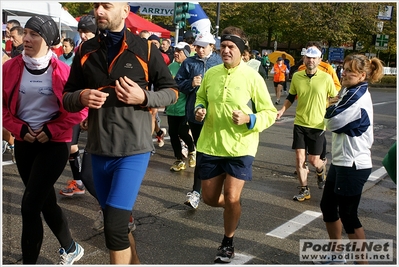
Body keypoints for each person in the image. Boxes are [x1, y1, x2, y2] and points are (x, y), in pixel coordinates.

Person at [62, 2, 178, 264]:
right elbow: (66, 97)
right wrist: (81, 96)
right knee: (118, 224)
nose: (98, 11)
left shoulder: (145, 49)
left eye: (106, 6)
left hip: (133, 151)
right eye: (95, 5)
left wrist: (144, 96)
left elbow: (172, 91)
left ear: (125, 11)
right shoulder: (84, 50)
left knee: (113, 227)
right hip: (98, 149)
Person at [2, 14, 87, 264]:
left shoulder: (63, 70)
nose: (25, 38)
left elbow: (81, 109)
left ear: (49, 41)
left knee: (29, 206)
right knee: (44, 201)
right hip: (25, 143)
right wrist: (18, 128)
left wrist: (51, 130)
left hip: (54, 144)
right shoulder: (9, 68)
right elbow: (3, 109)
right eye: (25, 33)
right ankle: (71, 248)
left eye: (34, 35)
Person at [194, 26, 277, 263]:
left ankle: (227, 241)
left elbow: (269, 113)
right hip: (210, 144)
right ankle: (233, 209)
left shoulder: (253, 77)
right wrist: (200, 109)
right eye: (223, 47)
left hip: (241, 147)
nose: (226, 51)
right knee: (209, 198)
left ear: (241, 51)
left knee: (231, 197)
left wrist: (249, 119)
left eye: (231, 47)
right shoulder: (211, 74)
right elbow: (201, 97)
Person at [320, 54, 384, 264]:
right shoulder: (350, 90)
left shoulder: (357, 95)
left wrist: (330, 107)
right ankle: (336, 255)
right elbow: (334, 112)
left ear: (362, 75)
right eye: (344, 69)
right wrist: (333, 105)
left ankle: (362, 262)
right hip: (341, 161)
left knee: (348, 215)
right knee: (328, 207)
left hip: (354, 163)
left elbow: (332, 121)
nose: (344, 73)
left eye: (349, 71)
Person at [276, 46, 338, 202]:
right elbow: (291, 96)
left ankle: (321, 168)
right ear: (304, 59)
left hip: (317, 125)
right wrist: (282, 110)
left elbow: (335, 98)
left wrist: (330, 110)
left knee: (314, 160)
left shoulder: (326, 78)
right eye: (308, 57)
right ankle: (304, 189)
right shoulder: (297, 76)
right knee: (299, 158)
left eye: (314, 58)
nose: (311, 60)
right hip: (300, 123)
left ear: (319, 60)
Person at [175, 31, 223, 209]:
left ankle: (213, 186)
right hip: (195, 115)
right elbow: (178, 83)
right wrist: (191, 84)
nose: (200, 50)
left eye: (203, 46)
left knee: (216, 153)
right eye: (197, 46)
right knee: (202, 151)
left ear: (212, 46)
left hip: (217, 115)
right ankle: (196, 191)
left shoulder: (220, 62)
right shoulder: (189, 62)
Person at [166, 42, 196, 172]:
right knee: (173, 134)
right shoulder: (170, 66)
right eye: (175, 51)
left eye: (180, 51)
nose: (176, 53)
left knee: (182, 132)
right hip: (172, 107)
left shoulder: (190, 66)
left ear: (187, 54)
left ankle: (191, 150)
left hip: (185, 107)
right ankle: (179, 160)